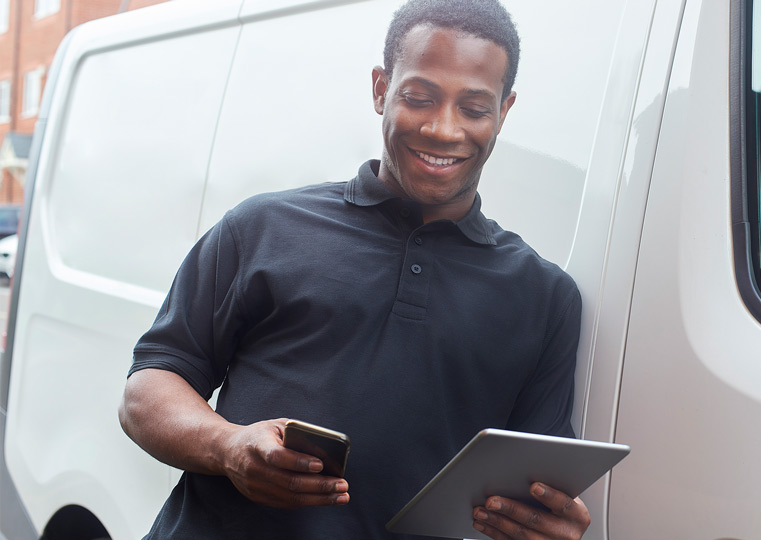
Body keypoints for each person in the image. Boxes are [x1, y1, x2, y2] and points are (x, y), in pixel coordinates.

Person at [118, 1, 591, 539]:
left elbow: (535, 491)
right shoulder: (263, 227)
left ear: (504, 112)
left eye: (474, 108)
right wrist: (227, 447)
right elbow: (146, 391)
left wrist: (545, 528)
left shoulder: (545, 297)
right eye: (419, 98)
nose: (443, 129)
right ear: (379, 89)